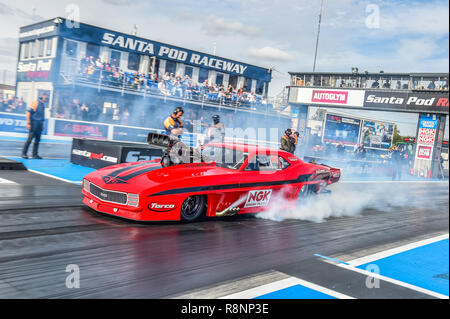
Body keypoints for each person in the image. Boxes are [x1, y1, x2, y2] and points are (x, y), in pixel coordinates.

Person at [22, 93, 48, 159]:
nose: (46, 99)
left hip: (39, 124)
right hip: (34, 124)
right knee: (29, 140)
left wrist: (42, 125)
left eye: (46, 98)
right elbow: (28, 113)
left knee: (37, 140)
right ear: (41, 97)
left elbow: (41, 116)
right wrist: (28, 123)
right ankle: (24, 153)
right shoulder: (35, 103)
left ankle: (35, 154)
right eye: (45, 98)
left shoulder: (43, 105)